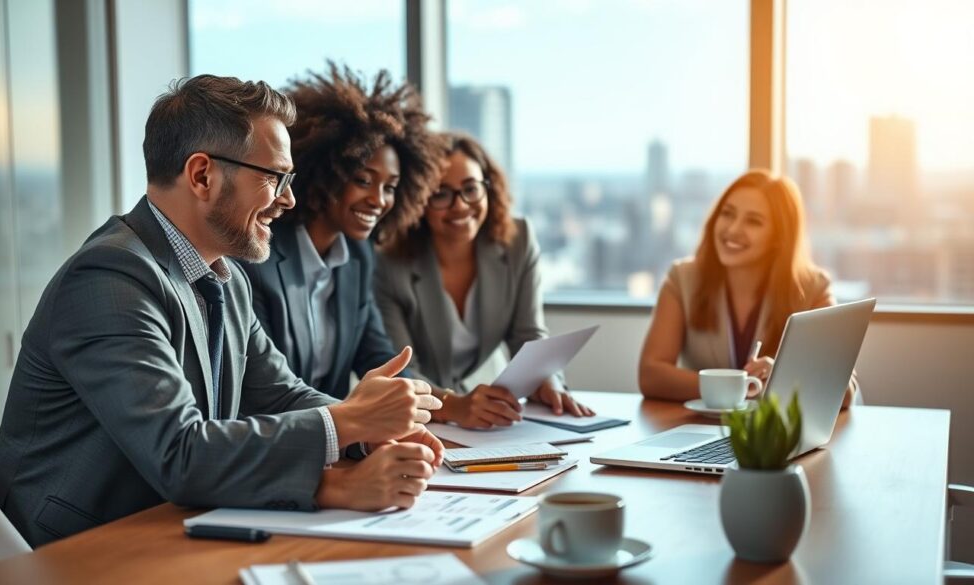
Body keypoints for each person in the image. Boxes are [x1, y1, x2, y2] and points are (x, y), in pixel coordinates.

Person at [0, 75, 444, 547]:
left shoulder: (227, 278)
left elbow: (281, 396)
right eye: (274, 177)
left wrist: (369, 434)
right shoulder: (108, 278)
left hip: (174, 529)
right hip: (77, 553)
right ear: (202, 175)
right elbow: (179, 453)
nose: (288, 199)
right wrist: (348, 423)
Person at [238, 64, 443, 399]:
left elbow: (377, 358)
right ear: (325, 171)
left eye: (390, 187)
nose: (378, 200)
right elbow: (267, 391)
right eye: (363, 180)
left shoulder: (359, 257)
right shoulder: (258, 254)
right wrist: (359, 424)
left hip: (341, 441)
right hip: (284, 440)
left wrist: (448, 402)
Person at [375, 133, 593, 430]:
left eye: (471, 189)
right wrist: (452, 406)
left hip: (474, 421)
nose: (461, 205)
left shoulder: (518, 240)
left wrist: (548, 381)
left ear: (489, 188)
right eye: (441, 193)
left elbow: (527, 335)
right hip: (413, 416)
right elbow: (401, 369)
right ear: (419, 200)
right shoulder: (389, 262)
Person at [638, 169, 856, 407]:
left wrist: (783, 376)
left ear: (779, 237)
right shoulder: (682, 278)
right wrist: (735, 386)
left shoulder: (813, 289)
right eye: (727, 214)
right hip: (698, 428)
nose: (732, 229)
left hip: (775, 439)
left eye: (753, 221)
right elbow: (651, 375)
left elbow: (846, 393)